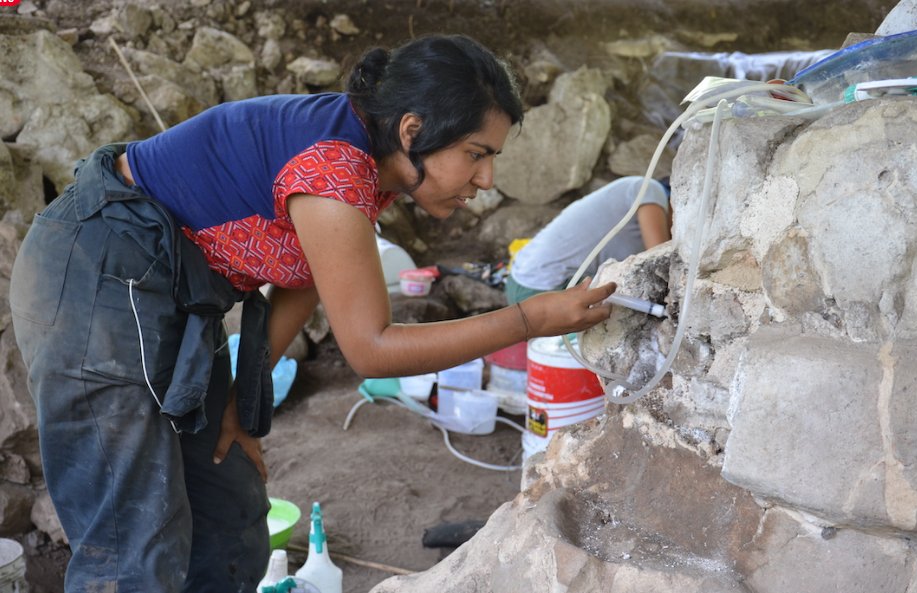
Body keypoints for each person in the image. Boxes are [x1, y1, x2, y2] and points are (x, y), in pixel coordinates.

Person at [9, 34, 616, 592]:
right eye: (476, 153)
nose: (486, 178)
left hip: (166, 294)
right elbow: (370, 348)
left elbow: (302, 277)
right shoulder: (334, 168)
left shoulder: (361, 158)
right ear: (412, 130)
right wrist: (528, 320)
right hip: (99, 274)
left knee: (229, 517)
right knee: (132, 544)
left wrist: (239, 403)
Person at [505, 175, 670, 304]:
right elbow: (661, 263)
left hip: (519, 281)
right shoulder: (650, 190)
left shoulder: (633, 205)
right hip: (543, 289)